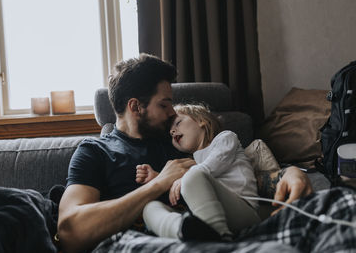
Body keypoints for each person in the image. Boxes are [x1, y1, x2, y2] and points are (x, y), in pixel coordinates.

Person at [57, 53, 313, 253]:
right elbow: (71, 232)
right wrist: (158, 183)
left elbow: (235, 175)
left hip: (217, 222)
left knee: (335, 203)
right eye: (164, 104)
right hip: (144, 241)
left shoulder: (181, 140)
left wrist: (289, 174)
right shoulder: (94, 152)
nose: (172, 114)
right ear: (135, 107)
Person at [136, 104, 261, 241]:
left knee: (193, 176)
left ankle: (220, 240)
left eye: (178, 123)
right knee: (150, 208)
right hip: (205, 216)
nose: (172, 132)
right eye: (170, 132)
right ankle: (181, 230)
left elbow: (215, 164)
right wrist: (158, 177)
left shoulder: (225, 138)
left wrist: (185, 177)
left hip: (243, 212)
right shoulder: (193, 164)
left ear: (202, 121)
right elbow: (185, 190)